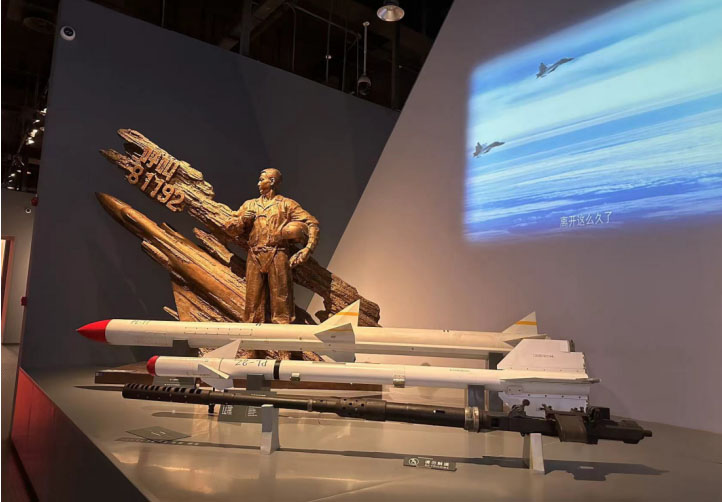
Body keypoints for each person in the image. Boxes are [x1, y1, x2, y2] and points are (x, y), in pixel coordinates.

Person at [226, 168, 319, 324]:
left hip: (278, 254)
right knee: (252, 304)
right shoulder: (250, 205)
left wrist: (308, 249)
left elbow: (312, 223)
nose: (258, 183)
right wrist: (242, 220)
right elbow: (229, 228)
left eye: (261, 179)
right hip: (255, 255)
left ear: (272, 181)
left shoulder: (287, 204)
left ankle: (283, 338)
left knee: (282, 302)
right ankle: (252, 338)